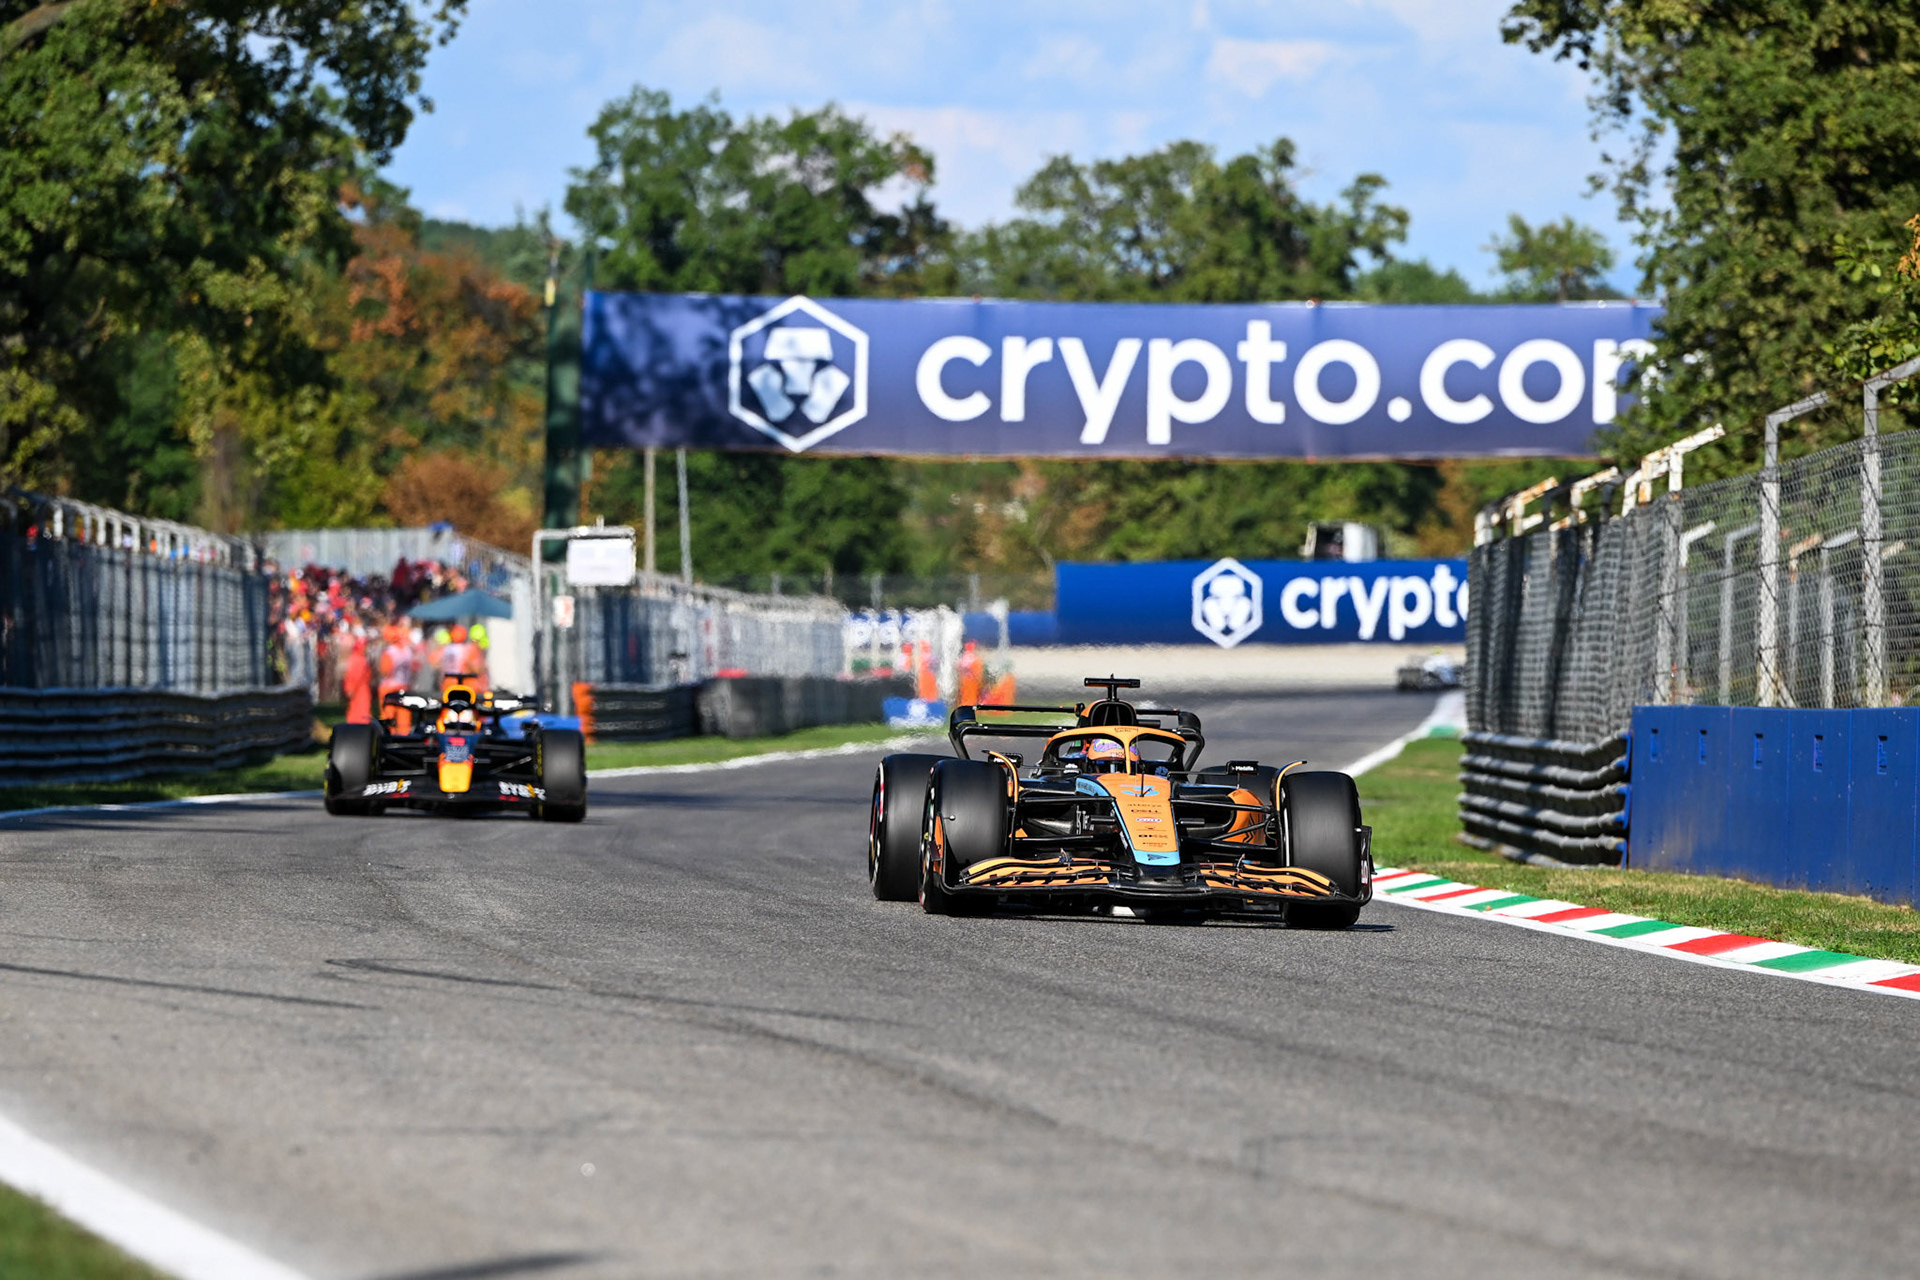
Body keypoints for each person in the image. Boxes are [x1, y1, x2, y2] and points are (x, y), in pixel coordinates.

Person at [341, 635, 373, 725]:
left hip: (362, 689)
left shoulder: (358, 658)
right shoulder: (358, 659)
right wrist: (350, 688)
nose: (366, 649)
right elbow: (353, 676)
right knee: (360, 709)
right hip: (359, 690)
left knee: (359, 709)